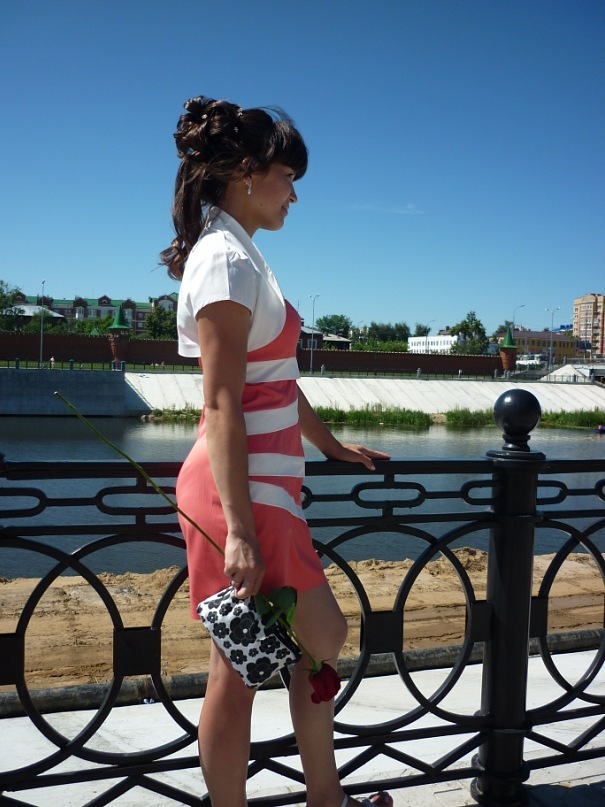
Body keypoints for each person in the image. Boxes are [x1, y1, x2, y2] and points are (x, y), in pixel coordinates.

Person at [160, 96, 392, 807]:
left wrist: (330, 445)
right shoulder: (226, 261)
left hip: (260, 487)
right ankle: (320, 799)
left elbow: (275, 384)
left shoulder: (239, 255)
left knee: (299, 648)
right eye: (287, 176)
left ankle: (326, 797)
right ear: (245, 171)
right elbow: (221, 403)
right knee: (267, 658)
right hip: (246, 494)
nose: (294, 193)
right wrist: (238, 528)